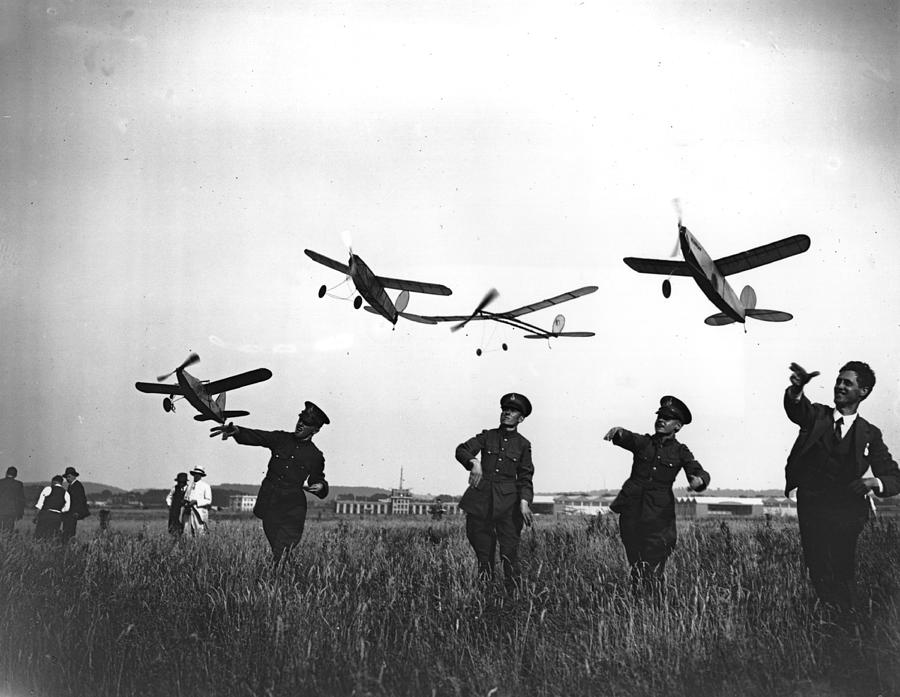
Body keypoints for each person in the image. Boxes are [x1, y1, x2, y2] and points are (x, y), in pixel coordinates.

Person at [784, 361, 900, 613]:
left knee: (841, 566)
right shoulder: (817, 416)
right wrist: (796, 390)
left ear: (864, 391)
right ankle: (833, 619)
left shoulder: (870, 433)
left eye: (847, 383)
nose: (839, 386)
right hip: (812, 507)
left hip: (847, 511)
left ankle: (846, 621)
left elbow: (893, 477)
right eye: (838, 381)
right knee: (818, 567)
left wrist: (874, 482)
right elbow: (796, 409)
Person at [604, 396, 710, 593]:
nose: (661, 420)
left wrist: (699, 480)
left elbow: (695, 468)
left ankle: (655, 608)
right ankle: (636, 611)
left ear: (677, 426)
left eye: (667, 418)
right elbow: (630, 438)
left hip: (659, 519)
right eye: (660, 416)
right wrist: (618, 432)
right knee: (635, 567)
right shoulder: (644, 443)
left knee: (652, 570)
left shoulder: (680, 451)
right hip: (632, 515)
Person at [210, 402, 330, 564]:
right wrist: (238, 431)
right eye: (300, 419)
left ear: (315, 429)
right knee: (279, 550)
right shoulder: (281, 439)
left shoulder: (315, 455)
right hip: (270, 506)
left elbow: (317, 478)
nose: (301, 423)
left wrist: (321, 486)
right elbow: (259, 436)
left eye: (307, 422)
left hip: (292, 510)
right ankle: (289, 576)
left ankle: (276, 581)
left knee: (282, 550)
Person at [455, 393, 535, 591]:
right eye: (504, 409)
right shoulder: (487, 436)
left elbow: (525, 477)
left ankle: (512, 600)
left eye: (513, 410)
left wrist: (524, 501)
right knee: (484, 555)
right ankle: (485, 598)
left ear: (521, 418)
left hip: (509, 507)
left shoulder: (523, 444)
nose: (507, 413)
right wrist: (473, 462)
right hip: (480, 503)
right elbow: (462, 449)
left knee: (509, 554)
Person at [34, 475, 70, 540]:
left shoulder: (48, 489)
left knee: (40, 536)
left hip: (45, 515)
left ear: (53, 482)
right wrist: (59, 511)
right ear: (61, 483)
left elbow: (40, 504)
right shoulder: (66, 493)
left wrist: (36, 516)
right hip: (57, 517)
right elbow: (67, 508)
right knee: (52, 536)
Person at [61, 466, 90, 541]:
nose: (67, 479)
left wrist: (77, 512)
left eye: (69, 476)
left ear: (74, 476)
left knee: (69, 531)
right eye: (66, 477)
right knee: (67, 531)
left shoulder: (77, 486)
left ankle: (68, 545)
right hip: (69, 513)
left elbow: (80, 500)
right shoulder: (71, 486)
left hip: (73, 513)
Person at [182, 466, 212, 536]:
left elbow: (208, 500)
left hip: (199, 513)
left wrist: (196, 501)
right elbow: (185, 497)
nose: (196, 476)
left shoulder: (206, 486)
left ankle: (199, 546)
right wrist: (185, 502)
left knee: (199, 532)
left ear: (201, 476)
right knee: (187, 532)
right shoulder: (189, 486)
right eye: (195, 474)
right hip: (188, 512)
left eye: (198, 474)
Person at [0, 466, 26, 533]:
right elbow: (21, 500)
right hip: (11, 511)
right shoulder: (18, 484)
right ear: (16, 475)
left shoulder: (1, 482)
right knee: (8, 531)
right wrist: (20, 513)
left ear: (6, 473)